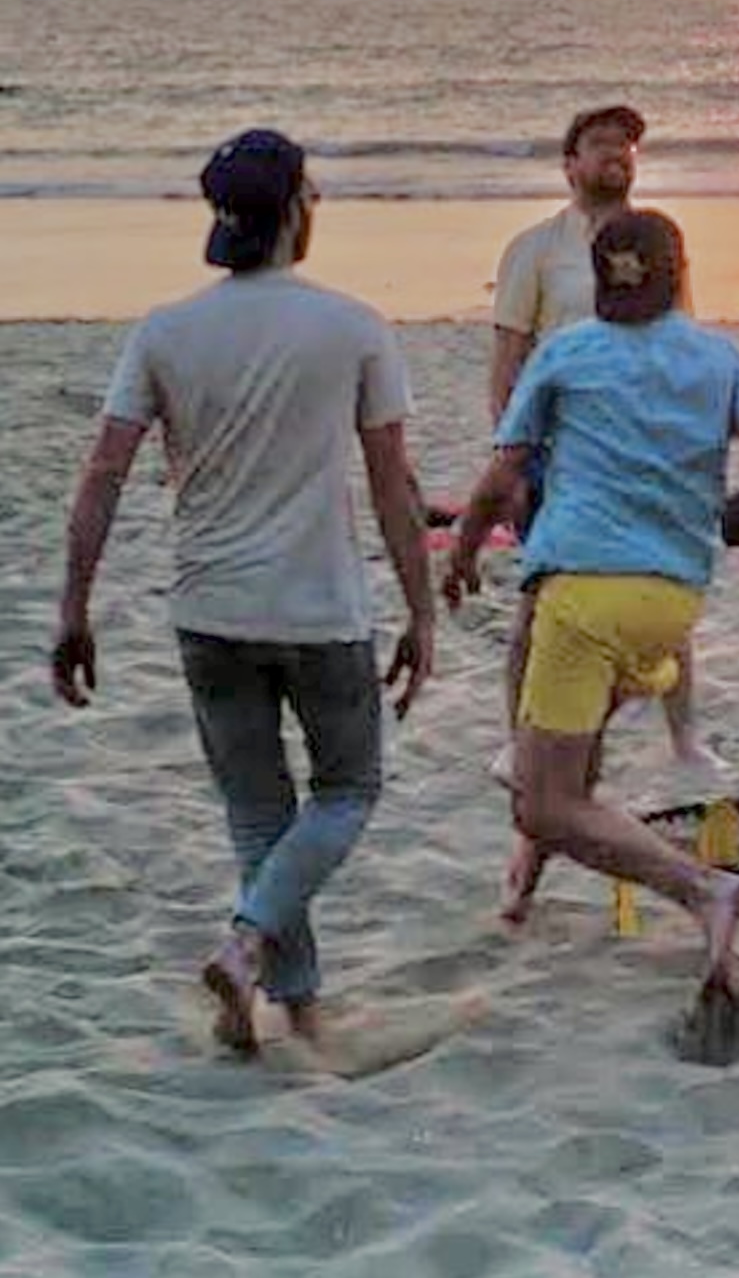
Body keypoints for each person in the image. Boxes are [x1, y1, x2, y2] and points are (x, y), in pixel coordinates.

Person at [444, 209, 739, 983]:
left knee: (541, 800)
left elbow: (502, 477)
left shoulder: (565, 352)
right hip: (672, 607)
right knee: (571, 759)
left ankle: (705, 890)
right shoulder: (720, 357)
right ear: (680, 275)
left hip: (582, 598)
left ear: (598, 279)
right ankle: (520, 894)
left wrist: (462, 554)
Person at [51, 128, 434, 1057]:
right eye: (313, 192)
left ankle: (293, 1007)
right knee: (348, 789)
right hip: (319, 611)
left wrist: (74, 608)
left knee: (259, 812)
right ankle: (250, 940)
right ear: (296, 209)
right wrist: (422, 611)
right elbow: (394, 485)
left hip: (209, 611)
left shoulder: (164, 329)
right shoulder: (353, 325)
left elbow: (102, 472)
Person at [490, 104, 707, 786]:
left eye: (627, 145)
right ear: (570, 163)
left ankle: (685, 738)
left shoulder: (662, 244)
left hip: (647, 448)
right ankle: (518, 741)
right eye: (601, 142)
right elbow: (508, 358)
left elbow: (683, 343)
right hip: (560, 452)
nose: (617, 153)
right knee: (540, 600)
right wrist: (509, 460)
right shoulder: (535, 249)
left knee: (667, 584)